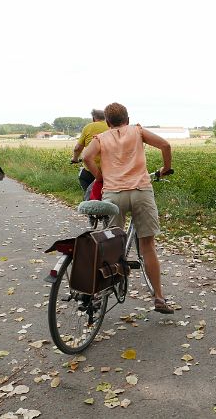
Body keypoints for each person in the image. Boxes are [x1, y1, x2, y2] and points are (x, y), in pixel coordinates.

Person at [83, 102, 174, 313]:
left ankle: (100, 292)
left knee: (112, 245)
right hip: (141, 191)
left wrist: (100, 176)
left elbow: (86, 157)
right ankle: (159, 298)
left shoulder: (101, 138)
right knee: (148, 246)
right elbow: (166, 146)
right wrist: (165, 169)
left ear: (107, 122)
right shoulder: (138, 131)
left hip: (114, 194)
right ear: (128, 119)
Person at [71, 109, 109, 194]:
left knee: (83, 177)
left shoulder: (89, 127)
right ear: (106, 118)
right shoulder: (111, 126)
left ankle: (88, 200)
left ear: (93, 118)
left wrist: (75, 158)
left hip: (92, 170)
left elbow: (78, 148)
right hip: (109, 170)